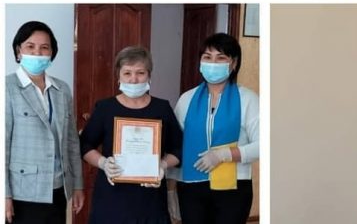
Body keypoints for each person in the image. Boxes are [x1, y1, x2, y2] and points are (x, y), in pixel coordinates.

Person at [79, 46, 182, 224]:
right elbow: (85, 145)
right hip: (111, 199)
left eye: (140, 73)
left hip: (150, 199)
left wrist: (162, 165)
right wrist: (103, 163)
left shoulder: (162, 108)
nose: (133, 79)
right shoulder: (105, 108)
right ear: (118, 76)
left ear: (149, 75)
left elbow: (178, 148)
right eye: (127, 73)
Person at [167, 33, 259, 224]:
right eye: (207, 57)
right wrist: (170, 190)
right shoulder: (186, 99)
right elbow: (176, 145)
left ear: (234, 64)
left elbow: (264, 145)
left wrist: (224, 155)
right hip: (190, 188)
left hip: (233, 189)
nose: (213, 63)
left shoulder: (248, 99)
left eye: (221, 58)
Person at [6, 21, 84, 224]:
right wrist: (4, 194)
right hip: (22, 193)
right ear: (19, 51)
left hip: (57, 189)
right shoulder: (7, 87)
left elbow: (72, 142)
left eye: (44, 48)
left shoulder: (62, 89)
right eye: (30, 46)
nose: (37, 53)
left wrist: (78, 185)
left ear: (51, 53)